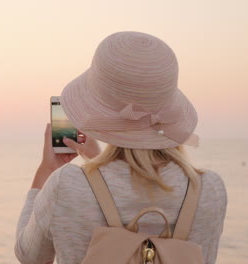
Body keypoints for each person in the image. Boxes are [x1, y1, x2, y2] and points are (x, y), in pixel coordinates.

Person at [14, 31, 227, 264]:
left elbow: (30, 256)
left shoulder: (67, 183)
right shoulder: (209, 189)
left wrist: (47, 170)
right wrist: (96, 165)